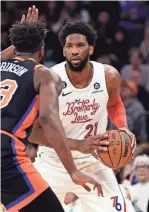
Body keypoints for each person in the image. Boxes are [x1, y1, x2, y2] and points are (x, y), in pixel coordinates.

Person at [0, 7, 103, 212]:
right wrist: (73, 170)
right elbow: (48, 121)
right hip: (5, 151)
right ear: (42, 50)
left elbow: (9, 54)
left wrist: (23, 36)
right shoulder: (44, 75)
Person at [30, 20, 136, 212]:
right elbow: (33, 132)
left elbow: (114, 103)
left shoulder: (108, 76)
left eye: (80, 45)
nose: (74, 51)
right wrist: (78, 145)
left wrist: (123, 127)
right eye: (69, 46)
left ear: (91, 48)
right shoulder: (49, 80)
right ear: (63, 51)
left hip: (94, 162)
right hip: (53, 163)